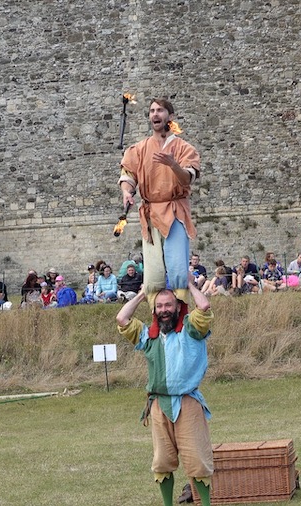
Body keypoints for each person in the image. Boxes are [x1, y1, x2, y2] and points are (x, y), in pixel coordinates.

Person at [116, 280, 214, 506]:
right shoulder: (148, 335)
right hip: (159, 405)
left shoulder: (191, 329)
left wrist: (188, 284)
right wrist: (142, 295)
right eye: (159, 306)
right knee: (162, 462)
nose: (164, 311)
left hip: (187, 403)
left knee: (198, 462)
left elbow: (204, 307)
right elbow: (122, 319)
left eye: (168, 305)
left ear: (178, 306)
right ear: (154, 310)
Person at [119, 98, 201, 303]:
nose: (155, 114)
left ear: (170, 117)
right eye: (152, 111)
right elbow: (128, 175)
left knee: (179, 274)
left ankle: (181, 320)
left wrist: (173, 165)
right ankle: (158, 325)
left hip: (175, 212)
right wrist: (127, 192)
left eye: (160, 110)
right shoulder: (139, 148)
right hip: (150, 213)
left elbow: (187, 178)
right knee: (153, 277)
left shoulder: (184, 148)